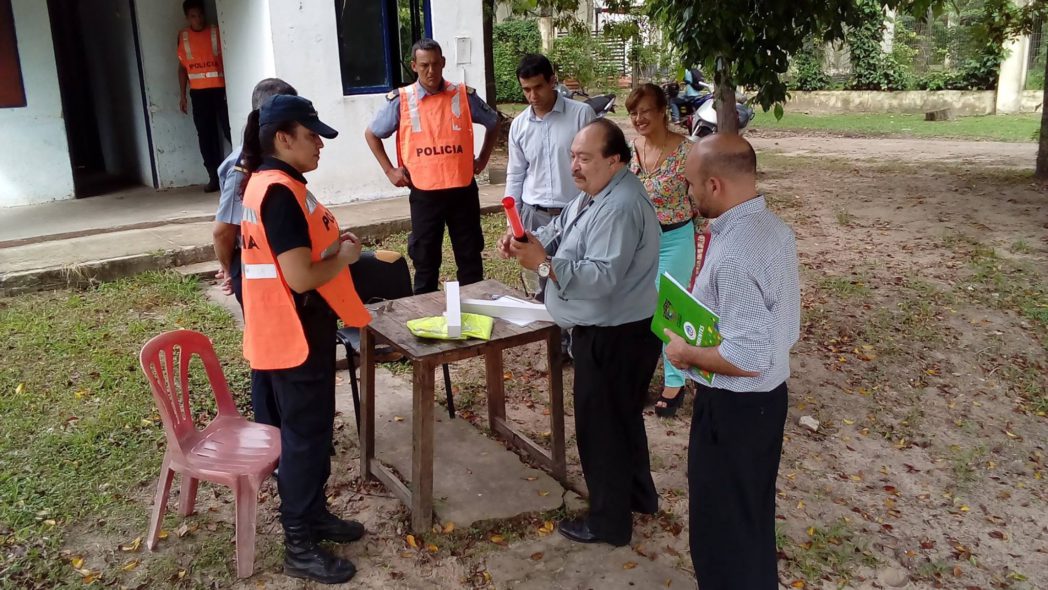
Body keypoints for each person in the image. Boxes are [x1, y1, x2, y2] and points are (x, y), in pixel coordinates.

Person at [498, 119, 662, 547]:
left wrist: (541, 265)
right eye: (572, 155)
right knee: (622, 417)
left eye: (584, 158)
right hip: (613, 329)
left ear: (615, 160)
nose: (574, 165)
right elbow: (561, 232)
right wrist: (528, 240)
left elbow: (602, 277)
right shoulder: (595, 195)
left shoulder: (621, 205)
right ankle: (639, 496)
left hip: (616, 333)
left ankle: (609, 523)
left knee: (601, 427)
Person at [239, 94, 371, 584]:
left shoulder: (270, 184)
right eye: (311, 134)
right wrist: (346, 258)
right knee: (302, 441)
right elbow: (298, 275)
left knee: (310, 436)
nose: (320, 143)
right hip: (293, 336)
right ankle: (298, 542)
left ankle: (314, 515)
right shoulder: (278, 192)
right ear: (283, 138)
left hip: (288, 332)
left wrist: (334, 247)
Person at [663, 135, 800, 589]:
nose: (688, 195)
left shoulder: (737, 254)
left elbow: (747, 355)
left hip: (734, 410)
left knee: (722, 532)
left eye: (691, 185)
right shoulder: (772, 229)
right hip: (767, 403)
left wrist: (686, 354)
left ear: (715, 185)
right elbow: (780, 329)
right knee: (750, 518)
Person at [364, 38, 499, 294]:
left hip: (462, 191)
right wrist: (390, 171)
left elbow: (493, 123)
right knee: (425, 261)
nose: (431, 71)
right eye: (424, 65)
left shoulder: (462, 95)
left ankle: (477, 316)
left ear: (443, 63)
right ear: (414, 66)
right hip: (425, 194)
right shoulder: (402, 100)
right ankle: (425, 319)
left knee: (470, 259)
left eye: (436, 64)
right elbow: (372, 134)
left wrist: (482, 159)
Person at [212, 78, 297, 430]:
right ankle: (269, 430)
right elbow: (223, 230)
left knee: (281, 348)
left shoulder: (275, 161)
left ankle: (287, 425)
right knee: (266, 352)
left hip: (272, 269)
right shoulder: (244, 167)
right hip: (252, 270)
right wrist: (229, 269)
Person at [626, 83, 697, 417]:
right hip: (640, 243)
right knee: (639, 309)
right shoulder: (631, 149)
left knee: (667, 308)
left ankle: (675, 381)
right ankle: (638, 377)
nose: (639, 118)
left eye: (646, 111)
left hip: (675, 240)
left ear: (662, 112)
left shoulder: (687, 151)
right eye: (633, 112)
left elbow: (701, 198)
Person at [177, 0, 231, 192]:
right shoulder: (183, 37)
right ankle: (213, 177)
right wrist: (182, 96)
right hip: (198, 94)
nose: (198, 19)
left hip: (220, 90)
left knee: (229, 130)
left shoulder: (216, 31)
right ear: (187, 17)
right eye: (193, 16)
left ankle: (243, 172)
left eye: (200, 15)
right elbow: (182, 69)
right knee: (205, 135)